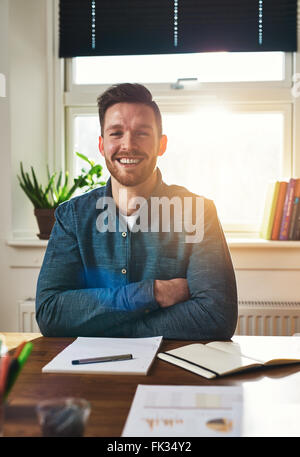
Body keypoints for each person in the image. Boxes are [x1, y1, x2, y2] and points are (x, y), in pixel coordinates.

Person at [36, 83, 237, 339]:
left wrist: (106, 323)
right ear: (101, 145)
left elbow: (216, 317)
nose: (128, 144)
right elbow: (50, 313)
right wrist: (152, 293)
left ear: (161, 145)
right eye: (116, 133)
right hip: (86, 375)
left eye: (141, 133)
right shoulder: (72, 217)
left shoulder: (198, 212)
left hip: (170, 374)